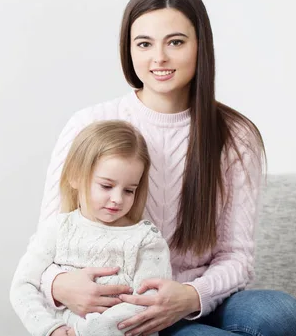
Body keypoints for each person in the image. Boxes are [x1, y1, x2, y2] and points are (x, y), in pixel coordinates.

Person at [37, 0, 296, 336]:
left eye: (175, 42)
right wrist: (59, 284)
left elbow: (237, 257)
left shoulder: (235, 135)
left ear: (200, 46)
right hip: (129, 306)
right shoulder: (89, 125)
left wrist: (189, 295)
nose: (159, 58)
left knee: (284, 316)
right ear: (129, 50)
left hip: (203, 297)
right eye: (144, 44)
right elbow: (46, 244)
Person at [10, 120, 173, 336]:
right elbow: (23, 286)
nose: (117, 199)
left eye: (129, 190)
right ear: (76, 177)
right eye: (106, 186)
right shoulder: (58, 229)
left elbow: (147, 302)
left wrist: (82, 333)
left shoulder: (146, 239)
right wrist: (51, 330)